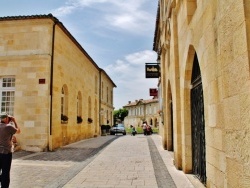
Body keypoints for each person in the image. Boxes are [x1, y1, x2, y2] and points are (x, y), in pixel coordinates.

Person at [0, 112, 21, 188]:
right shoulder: (8, 127)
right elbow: (18, 131)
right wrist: (14, 121)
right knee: (5, 172)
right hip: (6, 153)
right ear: (6, 119)